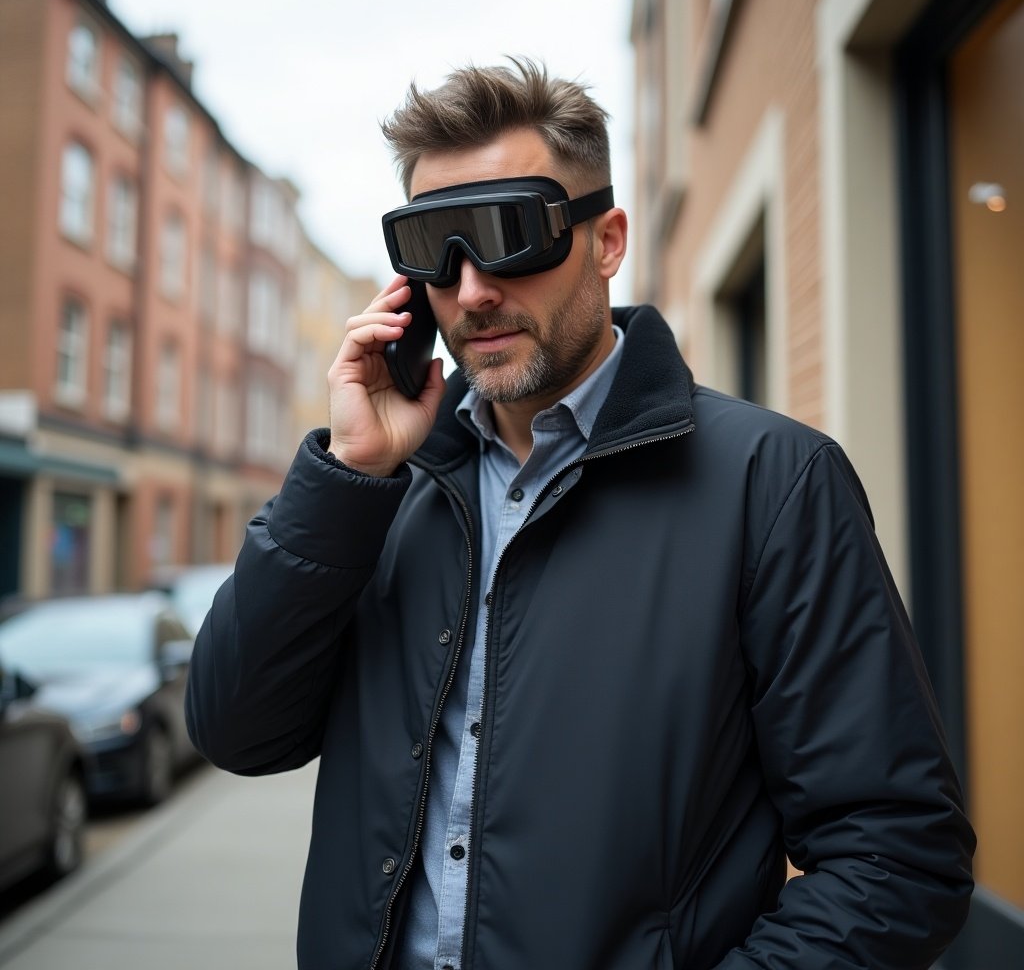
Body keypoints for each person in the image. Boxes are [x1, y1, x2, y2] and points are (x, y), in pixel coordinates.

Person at [186, 58, 974, 970]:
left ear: (606, 240)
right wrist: (349, 476)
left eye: (511, 233)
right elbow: (236, 732)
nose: (474, 288)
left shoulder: (774, 483)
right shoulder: (377, 493)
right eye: (435, 247)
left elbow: (898, 856)